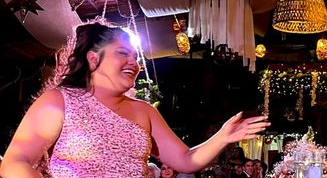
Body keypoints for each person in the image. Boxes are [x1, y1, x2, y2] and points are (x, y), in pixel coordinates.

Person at [0, 22, 269, 178]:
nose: (134, 63)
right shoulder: (59, 102)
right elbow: (15, 162)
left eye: (136, 57)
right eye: (123, 54)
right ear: (93, 59)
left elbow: (186, 160)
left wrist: (222, 137)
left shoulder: (145, 112)